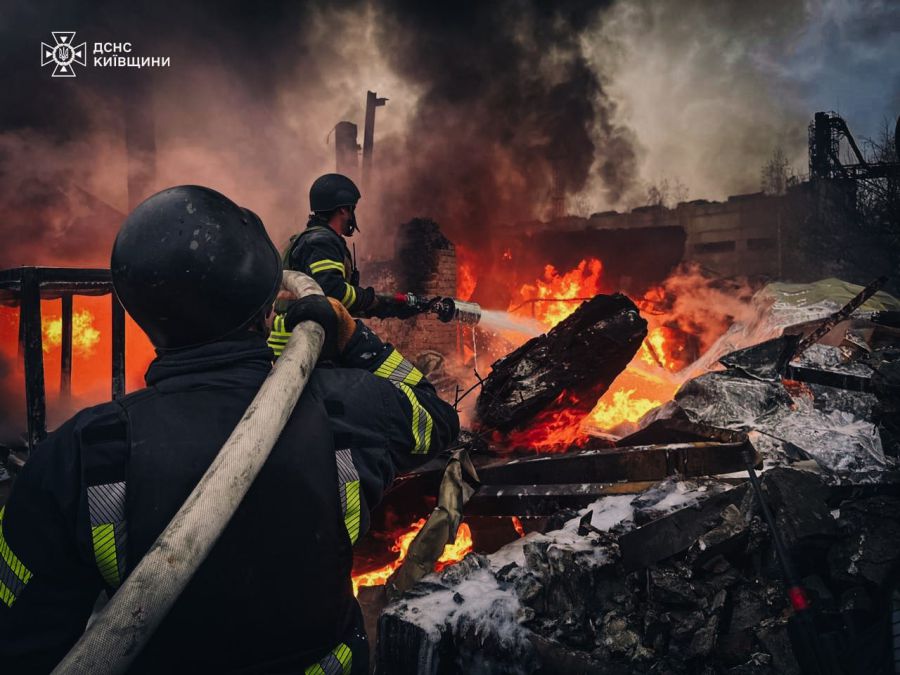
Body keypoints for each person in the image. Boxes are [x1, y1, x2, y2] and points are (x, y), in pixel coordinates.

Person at [0, 185, 459, 674]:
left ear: (141, 318)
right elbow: (436, 419)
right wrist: (354, 339)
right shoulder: (350, 404)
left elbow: (22, 645)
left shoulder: (77, 456)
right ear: (266, 310)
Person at [281, 173, 415, 320]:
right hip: (307, 336)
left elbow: (339, 303)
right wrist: (371, 300)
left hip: (307, 331)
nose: (352, 216)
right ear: (343, 209)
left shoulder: (311, 239)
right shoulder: (322, 243)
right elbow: (333, 292)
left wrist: (388, 306)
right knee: (376, 344)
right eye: (352, 209)